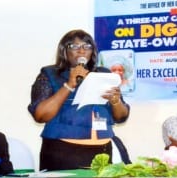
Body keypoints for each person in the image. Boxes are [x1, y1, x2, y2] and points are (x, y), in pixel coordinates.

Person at [28, 29, 130, 171]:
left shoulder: (104, 74)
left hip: (103, 152)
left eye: (87, 46)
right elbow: (40, 115)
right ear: (64, 50)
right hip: (63, 153)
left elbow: (121, 117)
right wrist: (69, 85)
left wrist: (116, 101)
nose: (82, 51)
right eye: (75, 46)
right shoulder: (50, 74)